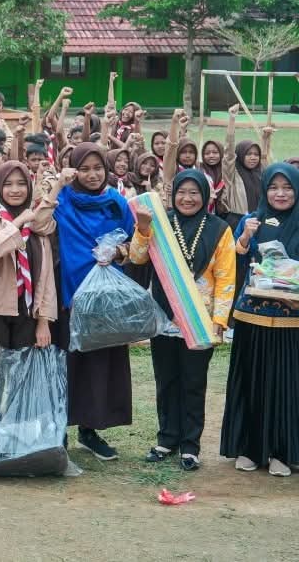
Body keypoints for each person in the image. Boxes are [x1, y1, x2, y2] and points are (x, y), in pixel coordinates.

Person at [131, 169, 234, 471]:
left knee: (193, 383)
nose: (187, 198)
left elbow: (226, 277)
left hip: (200, 319)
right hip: (163, 317)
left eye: (194, 193)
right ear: (173, 194)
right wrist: (142, 228)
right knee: (166, 380)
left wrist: (220, 318)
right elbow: (137, 257)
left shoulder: (219, 229)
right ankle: (167, 439)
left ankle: (190, 447)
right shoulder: (161, 224)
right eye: (182, 192)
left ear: (205, 196)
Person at [52, 142, 136, 461]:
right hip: (70, 295)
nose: (91, 175)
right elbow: (41, 217)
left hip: (105, 298)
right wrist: (57, 181)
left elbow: (133, 243)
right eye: (84, 169)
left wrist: (118, 252)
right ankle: (58, 430)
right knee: (67, 364)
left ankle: (90, 430)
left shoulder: (116, 202)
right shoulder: (63, 198)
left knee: (99, 367)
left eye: (97, 168)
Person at [221, 162, 299, 476]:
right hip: (252, 315)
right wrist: (244, 238)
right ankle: (249, 448)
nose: (280, 194)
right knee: (251, 379)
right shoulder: (252, 220)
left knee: (286, 383)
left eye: (288, 187)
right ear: (265, 190)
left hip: (292, 318)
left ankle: (282, 451)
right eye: (273, 187)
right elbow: (235, 255)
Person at [0, 161, 61, 414]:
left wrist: (43, 320)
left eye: (22, 184)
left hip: (27, 311)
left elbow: (45, 277)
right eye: (8, 184)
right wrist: (18, 222)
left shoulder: (39, 226)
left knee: (24, 376)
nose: (15, 190)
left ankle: (19, 436)